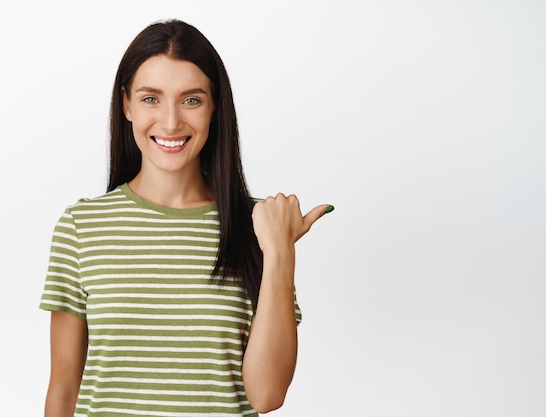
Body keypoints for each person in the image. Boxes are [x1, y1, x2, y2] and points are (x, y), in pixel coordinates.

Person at [39, 18, 334, 417]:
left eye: (191, 100)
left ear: (214, 107)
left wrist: (280, 252)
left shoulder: (259, 226)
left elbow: (267, 396)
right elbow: (61, 392)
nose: (171, 122)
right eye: (150, 99)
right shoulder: (82, 227)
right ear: (126, 104)